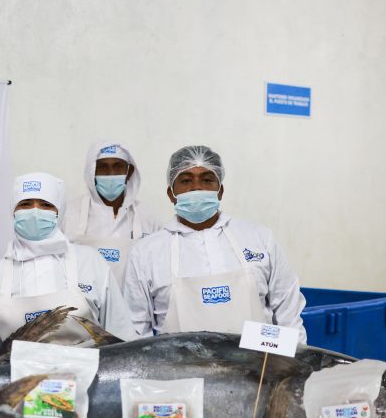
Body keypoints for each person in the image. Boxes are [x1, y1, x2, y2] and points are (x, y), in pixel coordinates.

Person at [122, 145, 306, 341]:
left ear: (220, 191)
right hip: (180, 362)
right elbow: (136, 332)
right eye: (185, 180)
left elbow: (289, 314)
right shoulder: (146, 253)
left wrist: (296, 356)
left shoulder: (260, 239)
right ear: (171, 193)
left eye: (207, 180)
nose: (196, 187)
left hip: (257, 361)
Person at [0, 172, 133, 362]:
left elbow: (120, 333)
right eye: (25, 204)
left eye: (45, 205)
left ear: (59, 211)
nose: (34, 212)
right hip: (15, 379)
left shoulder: (90, 262)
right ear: (13, 211)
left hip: (90, 377)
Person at [62, 141, 162, 284]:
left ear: (129, 172)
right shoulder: (69, 214)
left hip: (134, 298)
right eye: (103, 167)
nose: (110, 174)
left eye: (117, 166)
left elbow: (158, 270)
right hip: (83, 298)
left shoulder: (147, 217)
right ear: (91, 172)